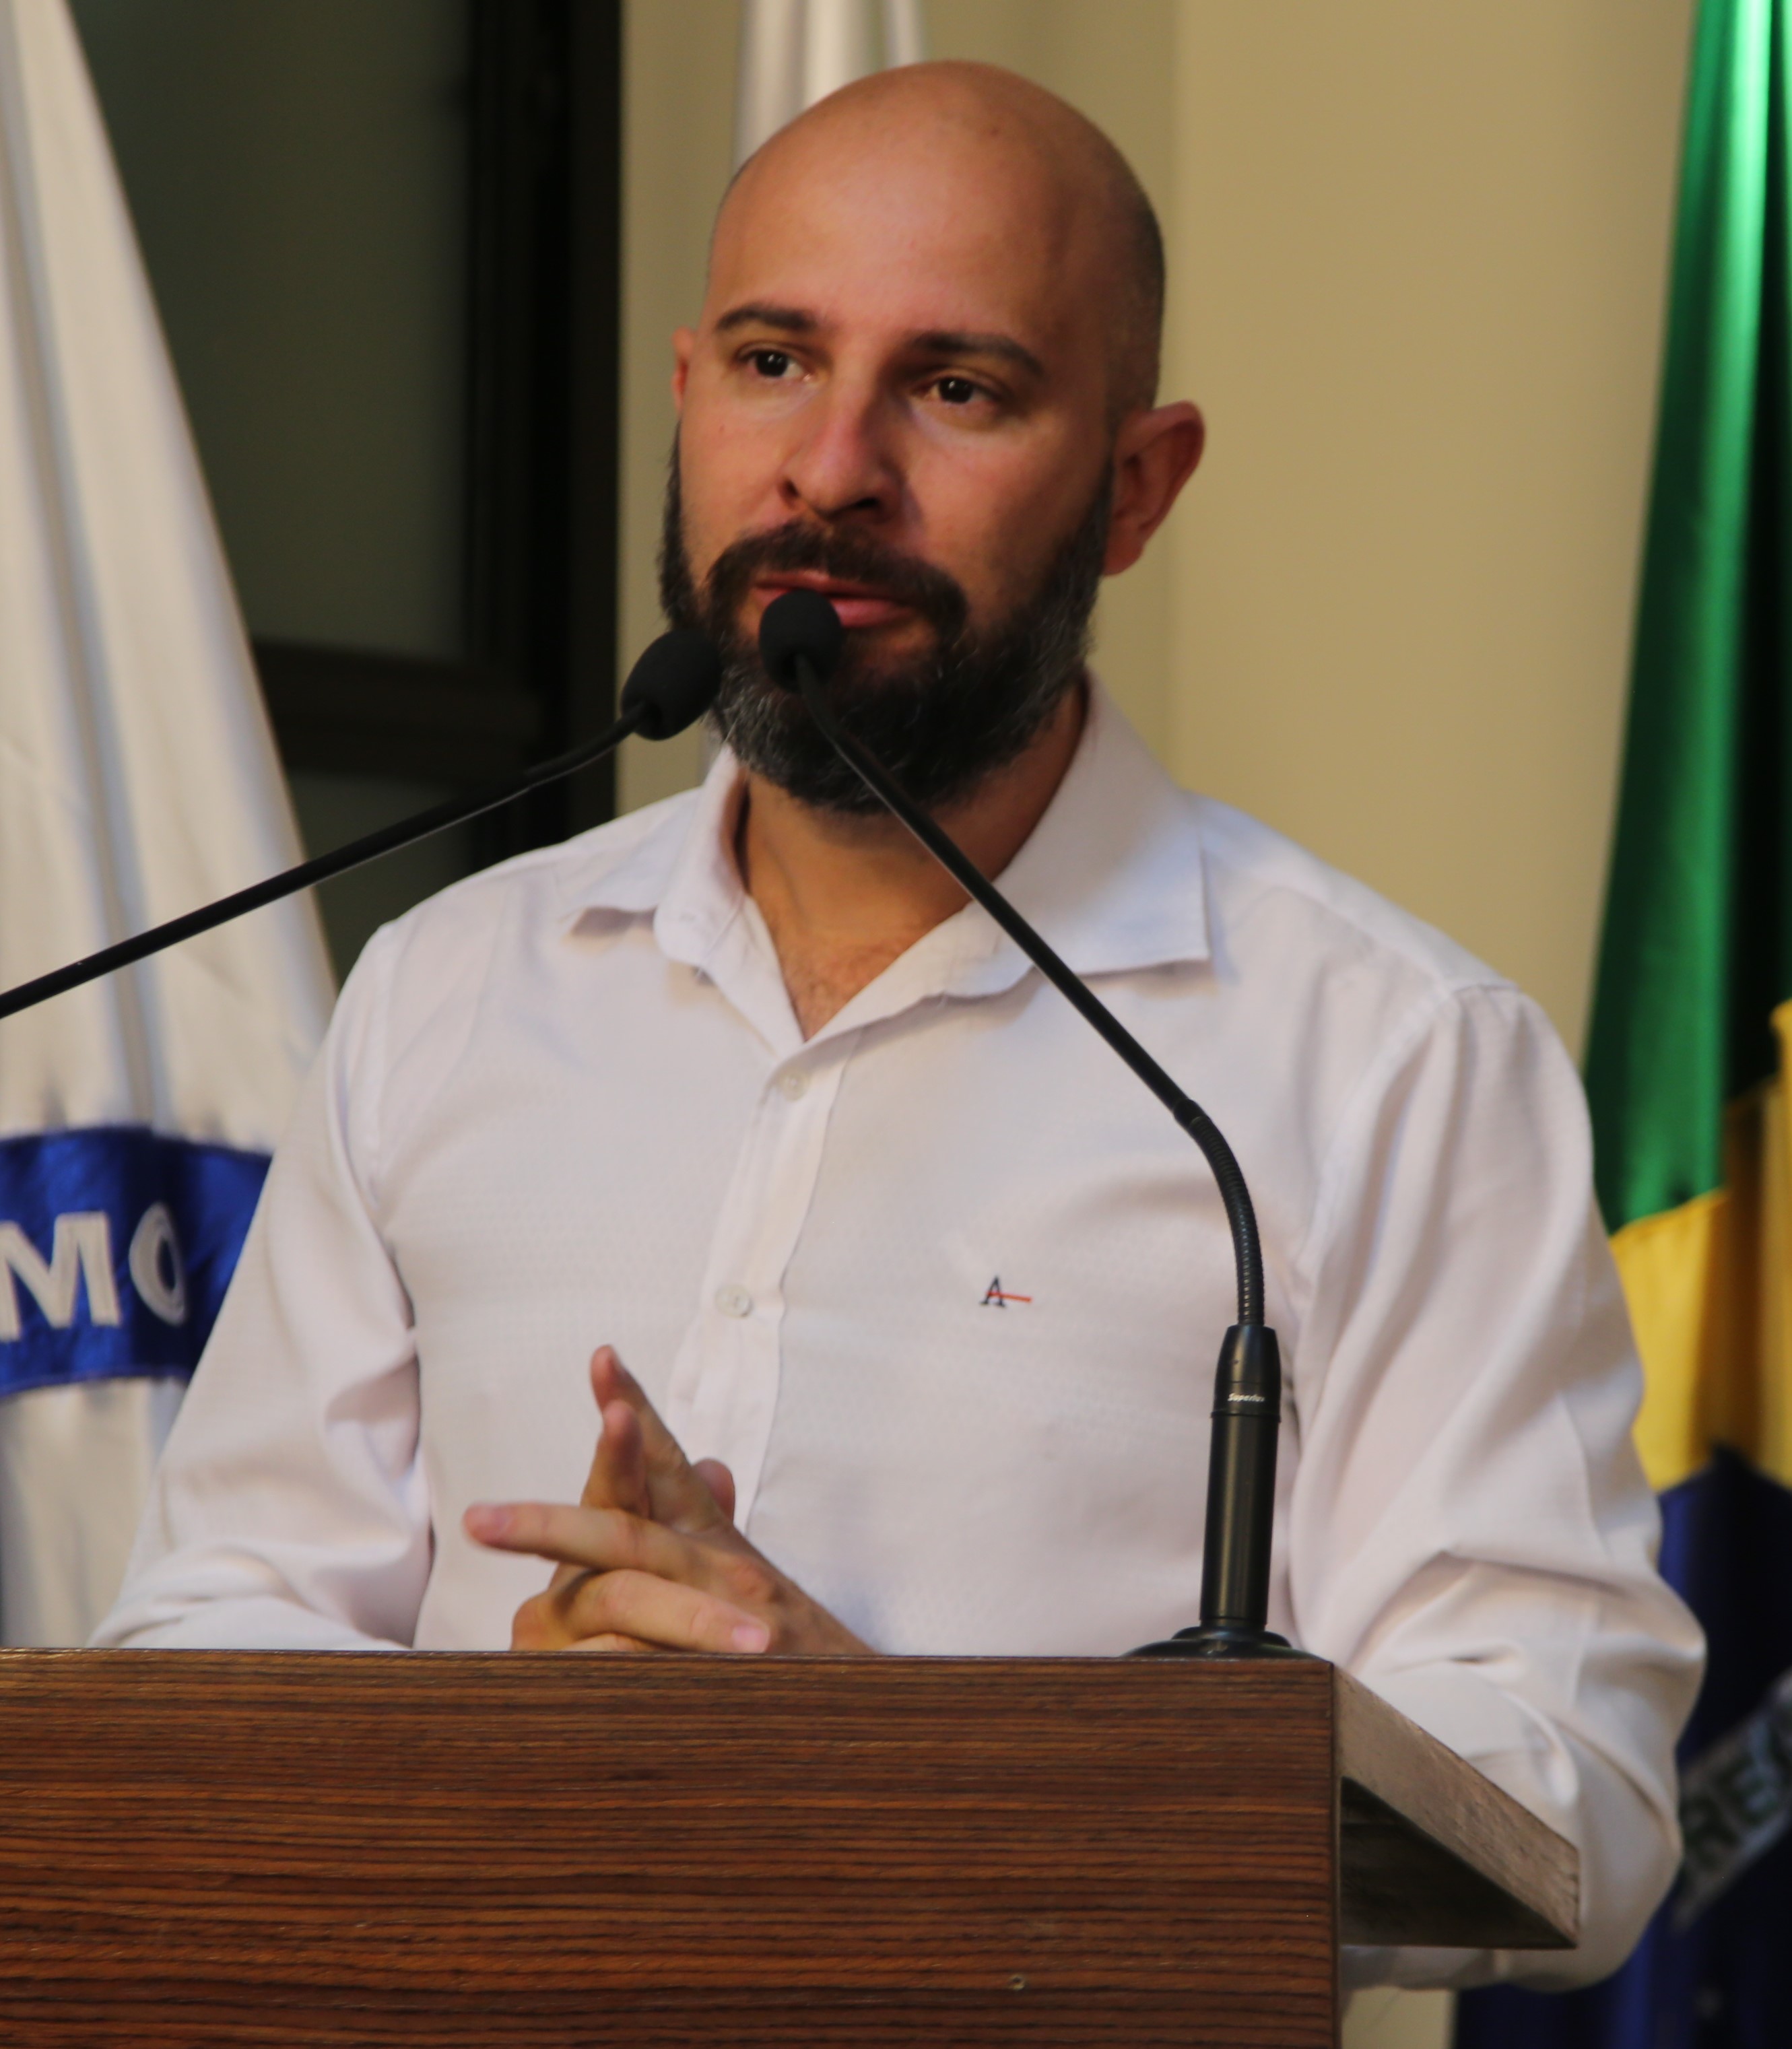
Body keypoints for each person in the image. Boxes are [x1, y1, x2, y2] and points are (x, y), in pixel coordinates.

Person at [96, 62, 1701, 1988]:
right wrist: (495, 1755)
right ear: (686, 391)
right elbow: (214, 1635)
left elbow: (1570, 1803)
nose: (832, 468)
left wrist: (896, 1771)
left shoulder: (1393, 1057)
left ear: (1136, 484)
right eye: (774, 361)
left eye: (957, 388)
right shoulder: (447, 985)